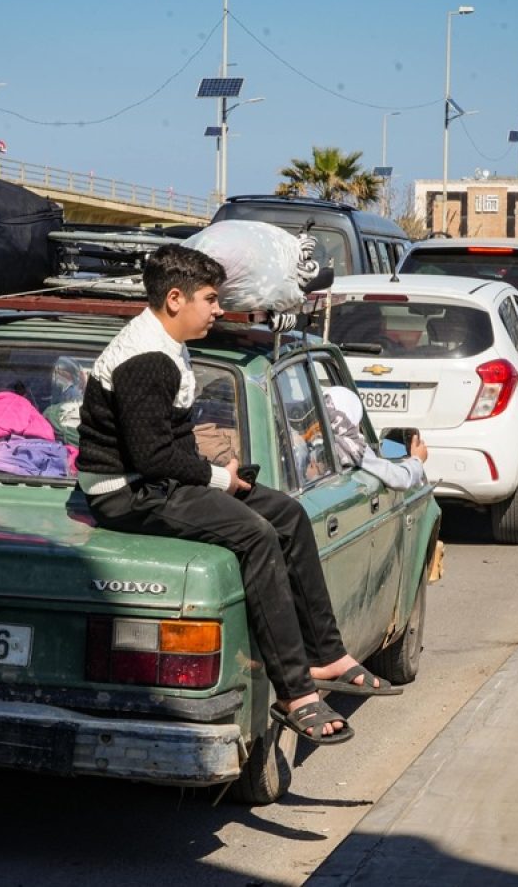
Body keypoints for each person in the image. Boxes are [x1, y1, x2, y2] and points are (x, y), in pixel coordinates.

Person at [76, 245, 398, 746]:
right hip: (129, 494)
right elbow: (151, 457)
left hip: (160, 483)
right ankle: (295, 693)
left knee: (287, 515)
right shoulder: (145, 359)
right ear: (176, 299)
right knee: (256, 535)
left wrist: (218, 474)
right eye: (210, 299)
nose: (218, 310)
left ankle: (326, 655)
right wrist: (219, 479)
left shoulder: (167, 343)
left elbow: (166, 447)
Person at [323, 385, 430, 490]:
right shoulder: (351, 448)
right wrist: (417, 460)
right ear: (353, 420)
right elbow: (400, 479)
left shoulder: (317, 443)